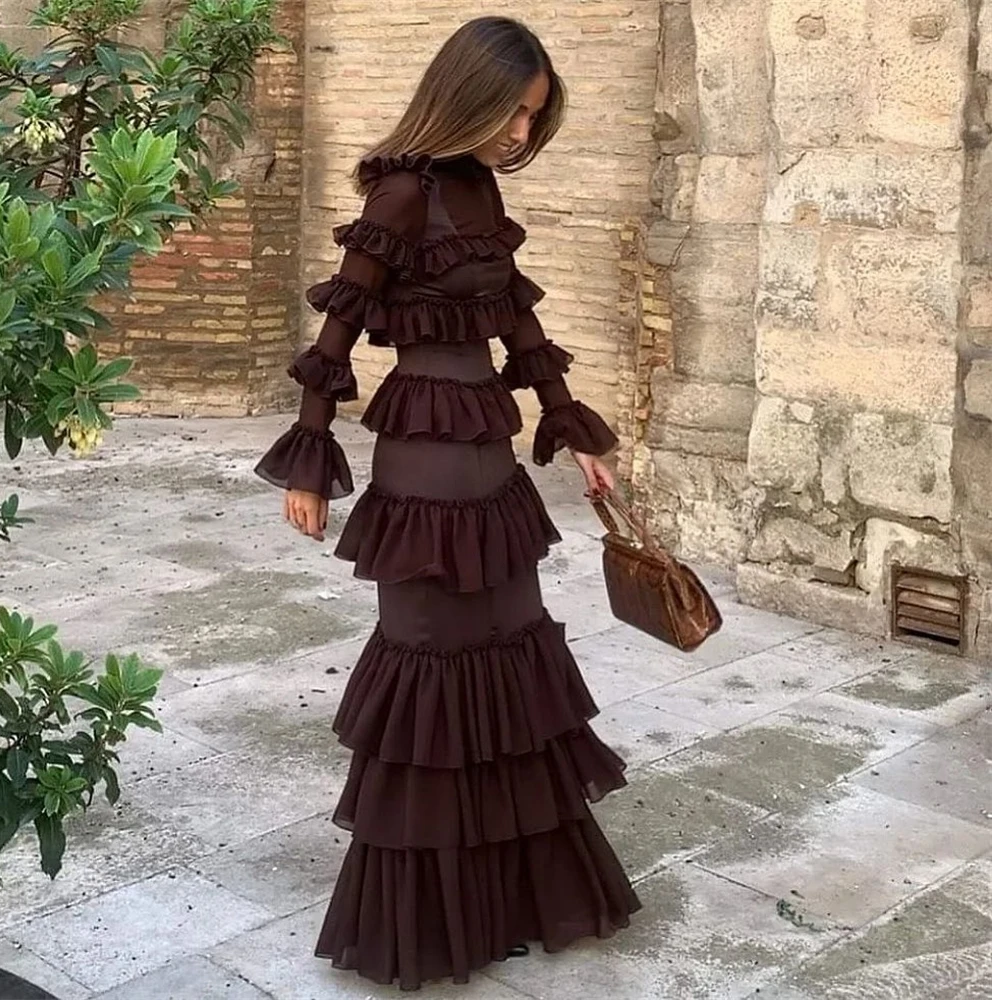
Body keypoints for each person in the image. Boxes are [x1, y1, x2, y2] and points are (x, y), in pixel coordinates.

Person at [255, 15, 640, 991]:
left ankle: (512, 899)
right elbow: (336, 328)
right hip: (423, 466)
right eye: (511, 110)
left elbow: (518, 318)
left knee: (511, 669)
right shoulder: (401, 190)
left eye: (531, 116)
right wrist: (308, 462)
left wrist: (570, 432)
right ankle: (428, 923)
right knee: (430, 672)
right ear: (465, 92)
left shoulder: (480, 187)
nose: (519, 132)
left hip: (488, 459)